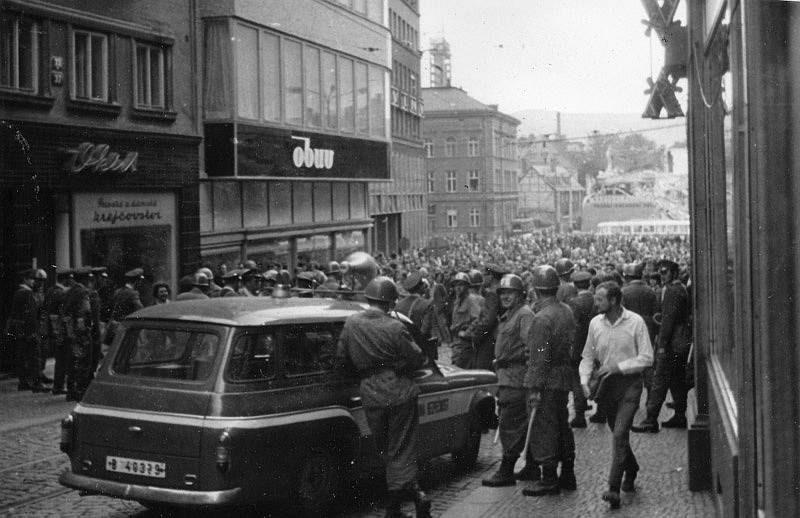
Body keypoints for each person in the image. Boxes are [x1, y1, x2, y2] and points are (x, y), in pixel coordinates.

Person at [336, 276, 431, 518]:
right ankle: (411, 499)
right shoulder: (395, 326)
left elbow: (342, 358)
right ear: (390, 303)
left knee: (387, 449)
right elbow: (417, 358)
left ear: (369, 299)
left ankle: (397, 506)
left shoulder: (351, 323)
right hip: (399, 391)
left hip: (370, 392)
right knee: (401, 449)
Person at [579, 281, 653, 509]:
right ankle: (631, 468)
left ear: (613, 300)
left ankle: (613, 488)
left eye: (600, 299)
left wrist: (617, 367)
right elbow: (587, 357)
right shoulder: (595, 324)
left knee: (620, 433)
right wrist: (584, 380)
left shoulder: (635, 322)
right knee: (618, 434)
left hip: (630, 385)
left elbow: (647, 358)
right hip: (606, 388)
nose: (595, 302)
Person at [522, 265, 576, 497]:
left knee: (545, 428)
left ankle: (549, 477)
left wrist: (534, 388)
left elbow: (539, 358)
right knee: (562, 425)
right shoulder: (565, 310)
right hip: (562, 376)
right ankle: (568, 473)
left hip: (547, 380)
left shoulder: (542, 318)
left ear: (535, 289)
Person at [482, 274, 535, 488]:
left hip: (516, 379)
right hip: (507, 377)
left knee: (510, 425)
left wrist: (506, 358)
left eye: (509, 292)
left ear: (520, 294)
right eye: (502, 293)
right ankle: (532, 467)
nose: (505, 296)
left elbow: (531, 349)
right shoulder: (509, 315)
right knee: (516, 423)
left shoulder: (524, 315)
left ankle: (506, 470)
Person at [632, 259, 691, 432]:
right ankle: (680, 415)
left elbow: (668, 321)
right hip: (679, 343)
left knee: (660, 380)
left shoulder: (672, 291)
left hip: (671, 343)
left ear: (673, 273)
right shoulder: (679, 289)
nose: (662, 276)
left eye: (665, 272)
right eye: (661, 272)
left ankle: (651, 419)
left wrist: (662, 345)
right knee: (677, 380)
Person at [5, 269, 49, 392]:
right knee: (34, 357)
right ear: (25, 279)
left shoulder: (20, 292)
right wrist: (33, 331)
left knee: (22, 356)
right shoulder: (26, 293)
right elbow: (30, 315)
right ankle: (37, 383)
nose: (33, 282)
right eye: (32, 279)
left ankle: (24, 382)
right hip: (28, 330)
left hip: (20, 330)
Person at [566, 270, 595, 428]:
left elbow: (574, 328)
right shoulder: (595, 299)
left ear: (575, 285)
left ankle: (579, 415)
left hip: (578, 347)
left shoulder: (575, 302)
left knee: (577, 380)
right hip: (593, 343)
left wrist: (572, 349)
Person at [46, 267, 72, 395]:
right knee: (62, 359)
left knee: (59, 359)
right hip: (61, 330)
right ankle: (58, 386)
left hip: (51, 329)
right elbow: (58, 315)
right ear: (66, 279)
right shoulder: (62, 294)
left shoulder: (50, 291)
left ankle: (58, 385)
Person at [449, 272, 481, 369]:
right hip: (456, 341)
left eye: (461, 285)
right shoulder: (457, 301)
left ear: (467, 286)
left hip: (465, 342)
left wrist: (467, 333)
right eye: (456, 285)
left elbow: (477, 319)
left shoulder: (471, 300)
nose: (458, 288)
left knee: (459, 369)